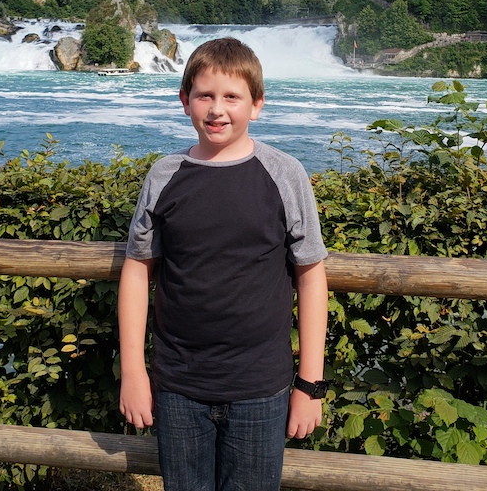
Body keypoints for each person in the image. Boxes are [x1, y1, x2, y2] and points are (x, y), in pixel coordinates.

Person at [118, 37, 329, 491]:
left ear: (256, 105)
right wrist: (134, 372)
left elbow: (312, 278)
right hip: (177, 386)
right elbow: (137, 271)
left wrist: (310, 384)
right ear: (184, 101)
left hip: (262, 389)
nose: (217, 109)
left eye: (232, 97)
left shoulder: (285, 175)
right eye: (205, 96)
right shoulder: (164, 175)